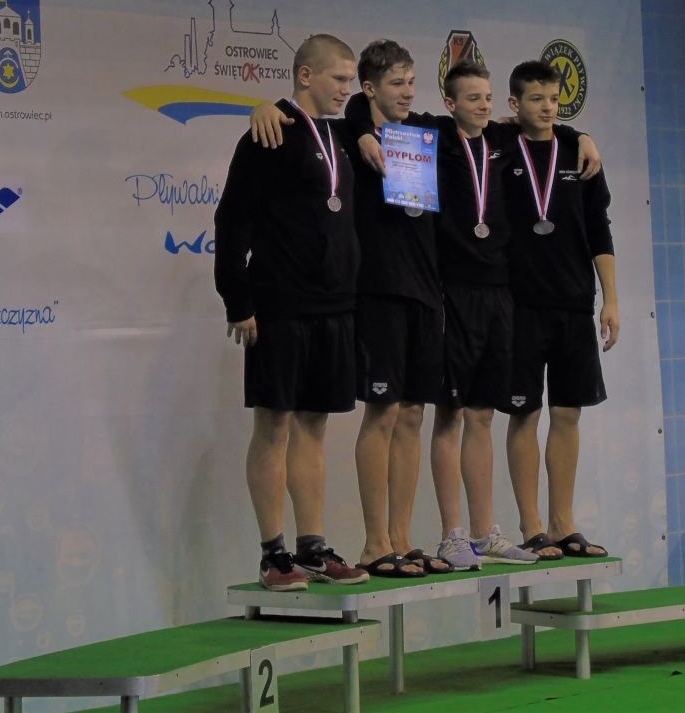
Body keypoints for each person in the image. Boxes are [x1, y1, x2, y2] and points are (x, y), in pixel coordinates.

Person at [348, 60, 602, 568]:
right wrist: (359, 129)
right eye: (472, 98)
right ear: (450, 104)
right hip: (452, 291)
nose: (483, 105)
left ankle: (486, 532)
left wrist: (582, 135)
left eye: (487, 97)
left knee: (483, 415)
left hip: (500, 293)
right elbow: (364, 105)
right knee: (450, 414)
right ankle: (452, 533)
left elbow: (546, 128)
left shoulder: (504, 142)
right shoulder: (436, 136)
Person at [249, 40, 447, 577]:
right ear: (367, 87)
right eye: (396, 83)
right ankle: (365, 542)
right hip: (358, 294)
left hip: (412, 293)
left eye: (412, 82)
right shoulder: (339, 133)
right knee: (355, 416)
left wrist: (577, 135)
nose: (407, 92)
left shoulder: (415, 133)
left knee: (404, 415)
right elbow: (336, 110)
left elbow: (487, 129)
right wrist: (267, 106)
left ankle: (392, 538)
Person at [214, 33, 369, 591]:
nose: (347, 89)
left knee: (314, 428)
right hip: (279, 304)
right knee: (273, 424)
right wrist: (238, 300)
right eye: (338, 79)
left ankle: (312, 547)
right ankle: (272, 553)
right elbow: (232, 221)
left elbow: (385, 107)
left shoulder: (343, 134)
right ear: (306, 76)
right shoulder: (268, 133)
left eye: (351, 80)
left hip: (335, 306)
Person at [501, 60, 618, 559]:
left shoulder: (579, 153)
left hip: (573, 302)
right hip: (519, 304)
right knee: (524, 413)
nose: (548, 108)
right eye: (536, 99)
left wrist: (611, 298)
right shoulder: (501, 148)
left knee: (568, 412)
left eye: (554, 99)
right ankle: (531, 525)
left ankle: (562, 522)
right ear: (515, 104)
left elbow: (599, 229)